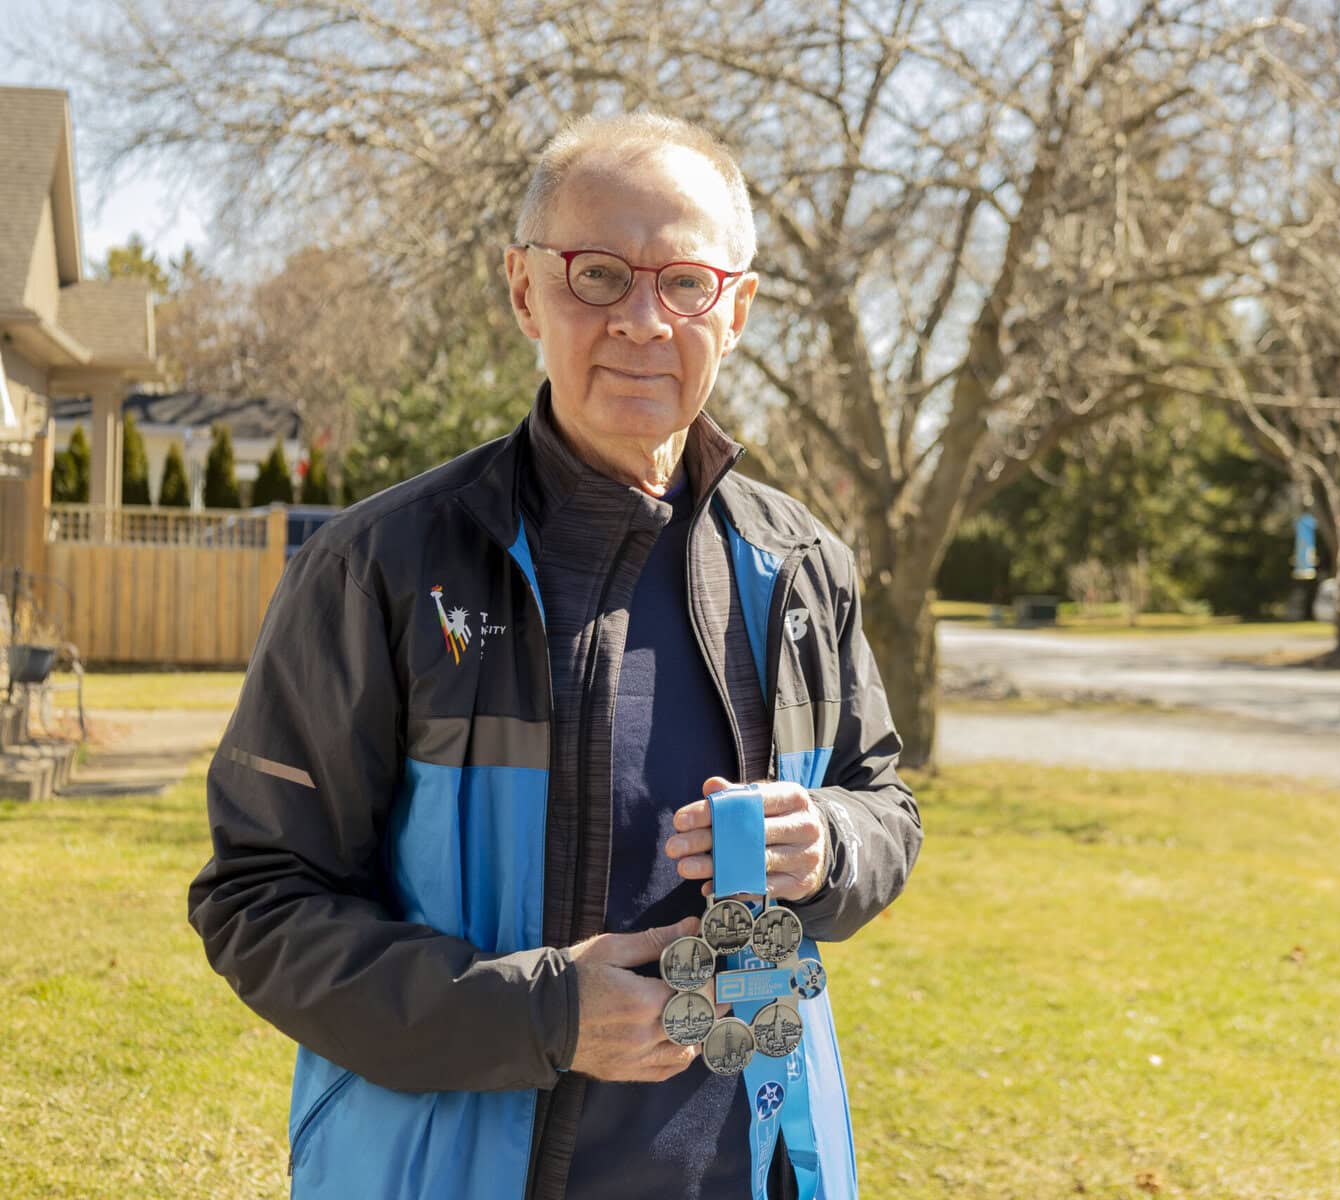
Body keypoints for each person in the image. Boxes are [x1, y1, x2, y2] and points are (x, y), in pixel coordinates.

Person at [188, 112, 922, 1200]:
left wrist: (833, 846)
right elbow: (259, 897)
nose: (640, 319)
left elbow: (884, 804)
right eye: (597, 275)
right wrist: (541, 1014)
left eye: (683, 282)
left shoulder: (801, 567)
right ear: (525, 290)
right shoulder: (381, 567)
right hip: (448, 1169)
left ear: (739, 308)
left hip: (753, 1169)